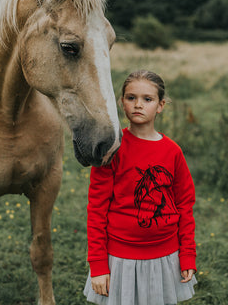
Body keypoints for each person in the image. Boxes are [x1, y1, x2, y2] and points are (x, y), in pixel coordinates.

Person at [83, 70, 197, 305]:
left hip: (165, 256)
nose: (138, 105)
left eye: (147, 99)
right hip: (121, 258)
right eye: (131, 97)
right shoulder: (112, 149)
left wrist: (186, 255)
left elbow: (185, 205)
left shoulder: (172, 151)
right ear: (121, 102)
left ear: (160, 105)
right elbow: (96, 208)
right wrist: (98, 264)